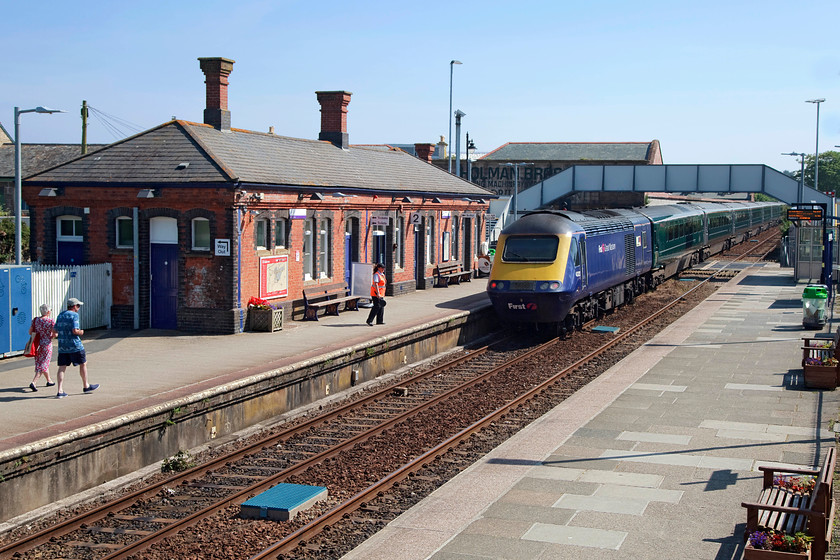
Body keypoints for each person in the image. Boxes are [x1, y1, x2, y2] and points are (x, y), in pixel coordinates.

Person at [54, 298, 99, 399]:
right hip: (75, 345)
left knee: (62, 367)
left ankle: (60, 390)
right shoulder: (74, 315)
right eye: (78, 306)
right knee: (83, 363)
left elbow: (54, 331)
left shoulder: (60, 315)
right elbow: (75, 330)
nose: (78, 308)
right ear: (74, 306)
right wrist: (81, 332)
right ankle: (86, 385)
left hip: (62, 346)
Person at [28, 303, 56, 392]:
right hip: (47, 344)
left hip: (37, 344)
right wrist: (52, 336)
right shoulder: (50, 321)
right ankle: (34, 382)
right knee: (44, 364)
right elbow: (54, 333)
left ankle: (49, 380)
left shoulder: (35, 320)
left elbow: (30, 332)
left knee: (40, 362)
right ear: (48, 312)